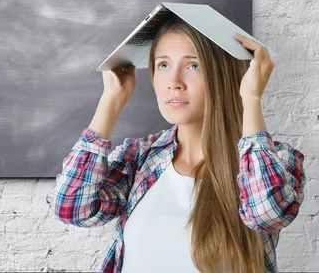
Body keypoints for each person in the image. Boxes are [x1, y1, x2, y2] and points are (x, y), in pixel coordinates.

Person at [48, 16, 306, 273]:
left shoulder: (275, 160)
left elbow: (268, 214)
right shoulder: (140, 157)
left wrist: (251, 97)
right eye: (162, 65)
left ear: (222, 75)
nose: (174, 82)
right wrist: (111, 100)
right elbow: (73, 209)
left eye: (193, 66)